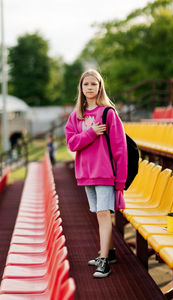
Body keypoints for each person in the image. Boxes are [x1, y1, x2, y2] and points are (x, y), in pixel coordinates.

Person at [65, 69, 127, 278]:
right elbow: (72, 144)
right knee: (99, 214)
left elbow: (120, 149)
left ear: (100, 87)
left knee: (103, 214)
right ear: (81, 88)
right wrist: (90, 133)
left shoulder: (108, 113)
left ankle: (103, 261)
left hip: (105, 173)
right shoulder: (76, 116)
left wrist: (120, 181)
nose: (90, 88)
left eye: (94, 84)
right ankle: (109, 253)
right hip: (86, 174)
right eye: (86, 84)